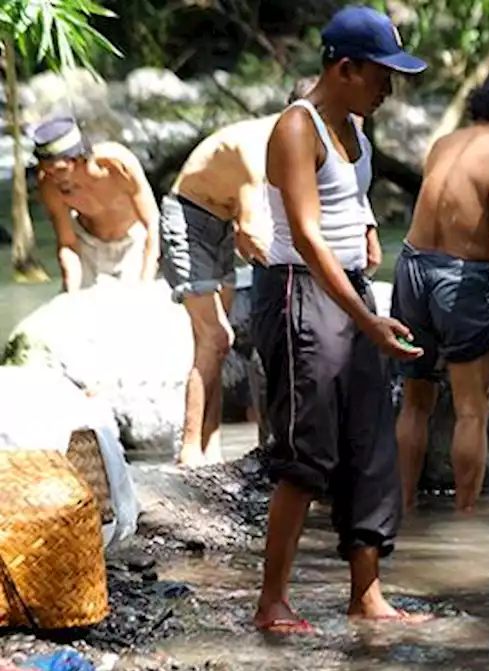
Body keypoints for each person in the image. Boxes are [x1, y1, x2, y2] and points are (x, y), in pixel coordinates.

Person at [250, 5, 430, 632]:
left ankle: (367, 595)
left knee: (370, 443)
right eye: (381, 74)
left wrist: (371, 240)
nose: (389, 87)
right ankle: (272, 600)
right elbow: (303, 233)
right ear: (345, 67)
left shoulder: (356, 130)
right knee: (308, 449)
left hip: (348, 288)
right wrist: (368, 319)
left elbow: (348, 205)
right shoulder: (297, 129)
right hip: (300, 289)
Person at [391, 63, 489, 514]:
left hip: (411, 267)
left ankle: (403, 509)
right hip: (462, 278)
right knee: (470, 409)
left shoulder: (443, 144)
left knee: (415, 401)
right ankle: (465, 521)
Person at [160, 84, 316, 467]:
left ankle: (209, 449)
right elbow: (252, 233)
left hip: (219, 221)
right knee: (216, 336)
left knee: (215, 343)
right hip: (187, 218)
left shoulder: (291, 140)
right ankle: (188, 450)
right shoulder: (257, 148)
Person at [30, 117, 160, 292]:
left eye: (61, 170)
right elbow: (67, 243)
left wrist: (147, 280)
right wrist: (71, 291)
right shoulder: (49, 184)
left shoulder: (117, 165)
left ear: (80, 159)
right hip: (87, 245)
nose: (57, 179)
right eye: (49, 171)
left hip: (132, 242)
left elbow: (152, 223)